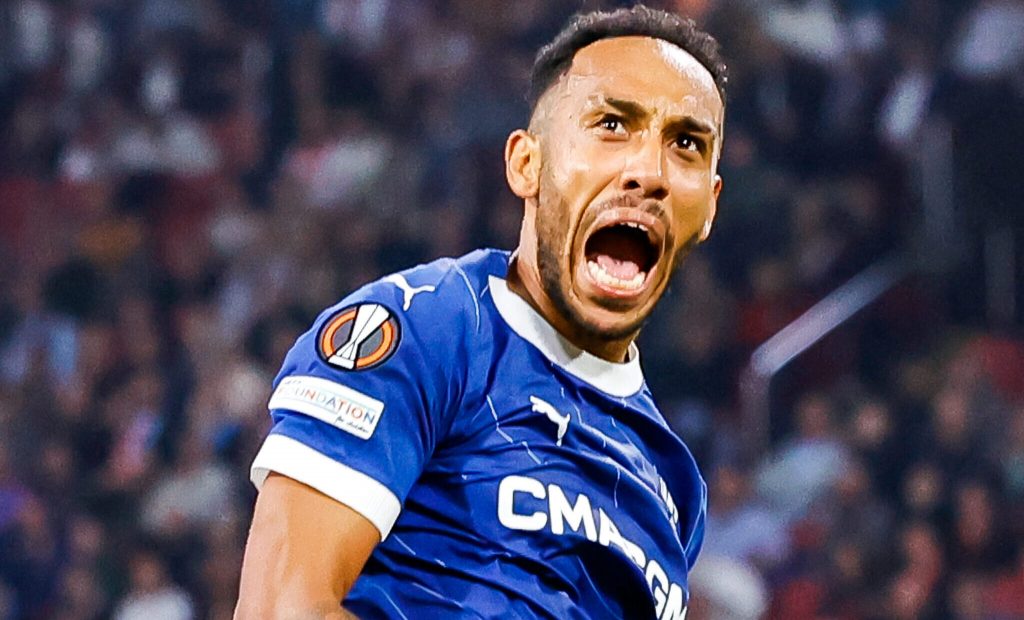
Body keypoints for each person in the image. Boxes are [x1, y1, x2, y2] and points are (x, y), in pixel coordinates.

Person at [235, 5, 727, 618]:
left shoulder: (672, 480)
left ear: (709, 205)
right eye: (610, 125)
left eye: (685, 144)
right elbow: (280, 607)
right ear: (526, 164)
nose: (648, 172)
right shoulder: (425, 328)